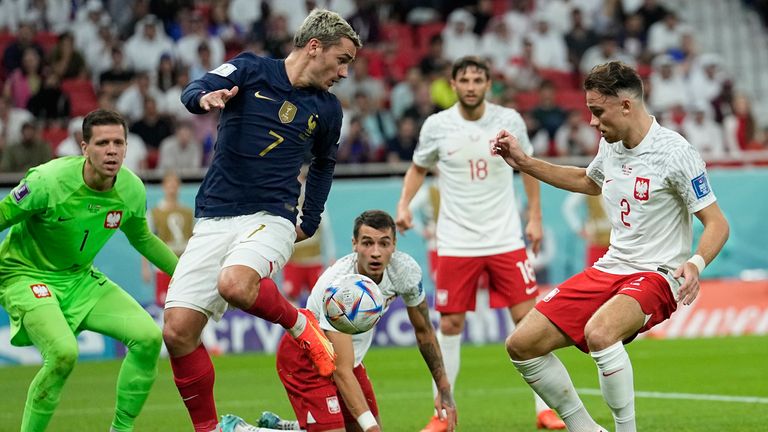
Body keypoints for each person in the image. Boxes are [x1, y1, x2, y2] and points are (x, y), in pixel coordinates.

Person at [494, 61, 730, 432]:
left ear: (626, 105)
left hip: (657, 273)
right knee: (521, 344)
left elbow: (717, 222)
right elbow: (588, 181)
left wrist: (696, 264)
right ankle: (586, 429)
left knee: (600, 333)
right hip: (611, 267)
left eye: (597, 111)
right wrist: (523, 162)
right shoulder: (611, 146)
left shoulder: (675, 152)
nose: (592, 122)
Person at [164, 9, 362, 432]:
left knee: (235, 284)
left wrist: (308, 218)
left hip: (272, 217)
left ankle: (298, 324)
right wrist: (204, 99)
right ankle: (210, 428)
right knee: (178, 332)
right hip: (215, 215)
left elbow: (324, 166)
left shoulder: (327, 110)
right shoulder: (251, 69)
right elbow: (196, 88)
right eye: (341, 59)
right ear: (314, 47)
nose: (344, 72)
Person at [395, 56, 565, 431]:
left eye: (478, 79)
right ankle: (443, 414)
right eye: (464, 80)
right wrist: (404, 205)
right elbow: (418, 168)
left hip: (505, 238)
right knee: (451, 324)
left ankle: (546, 409)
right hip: (456, 242)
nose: (471, 86)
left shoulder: (509, 120)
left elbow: (529, 167)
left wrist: (535, 217)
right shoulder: (437, 126)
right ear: (452, 85)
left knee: (529, 322)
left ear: (488, 84)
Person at [0, 109, 179, 432]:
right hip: (25, 275)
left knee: (149, 337)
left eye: (118, 142)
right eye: (102, 143)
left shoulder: (131, 189)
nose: (111, 150)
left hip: (80, 278)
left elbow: (143, 239)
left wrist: (186, 278)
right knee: (64, 353)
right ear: (84, 148)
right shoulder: (47, 182)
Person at [221, 210, 457, 432]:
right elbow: (340, 369)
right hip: (306, 358)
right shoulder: (337, 287)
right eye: (367, 243)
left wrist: (444, 389)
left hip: (348, 360)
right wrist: (371, 428)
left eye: (384, 243)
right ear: (354, 244)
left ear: (393, 245)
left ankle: (296, 425)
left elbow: (424, 331)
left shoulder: (405, 272)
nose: (376, 252)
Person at [142, 171, 194, 306]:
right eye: (169, 185)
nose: (172, 188)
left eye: (175, 185)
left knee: (186, 303)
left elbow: (193, 240)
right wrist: (145, 267)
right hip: (163, 265)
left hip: (184, 265)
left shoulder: (187, 213)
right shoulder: (155, 212)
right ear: (164, 187)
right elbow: (146, 239)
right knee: (164, 303)